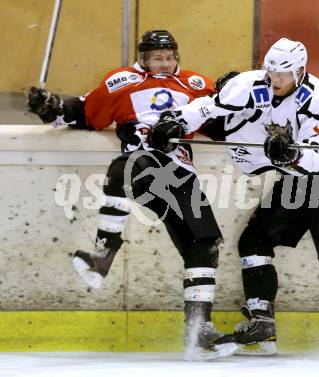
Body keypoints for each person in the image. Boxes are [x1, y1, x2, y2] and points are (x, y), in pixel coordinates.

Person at [148, 38, 319, 357]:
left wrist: (290, 157)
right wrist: (174, 122)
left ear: (301, 72)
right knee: (254, 240)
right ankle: (262, 319)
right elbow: (205, 107)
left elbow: (314, 161)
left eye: (283, 74)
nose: (275, 80)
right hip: (293, 179)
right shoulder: (247, 88)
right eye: (271, 73)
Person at [26, 30, 237, 360]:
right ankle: (102, 255)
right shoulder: (122, 81)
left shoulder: (197, 85)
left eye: (169, 57)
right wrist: (50, 106)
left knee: (205, 244)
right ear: (143, 58)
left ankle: (198, 330)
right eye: (157, 57)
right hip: (143, 161)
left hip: (181, 172)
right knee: (124, 169)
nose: (164, 63)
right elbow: (82, 112)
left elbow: (222, 127)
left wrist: (232, 97)